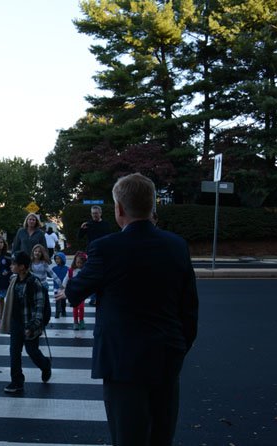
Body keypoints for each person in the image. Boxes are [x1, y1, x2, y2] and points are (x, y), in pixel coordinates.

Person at [62, 173, 199, 446]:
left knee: (128, 437)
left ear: (119, 209)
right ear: (152, 206)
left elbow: (75, 292)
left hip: (123, 362)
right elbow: (189, 309)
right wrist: (179, 348)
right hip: (166, 356)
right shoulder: (177, 245)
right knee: (161, 435)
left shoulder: (105, 248)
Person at [0, 251, 52, 394]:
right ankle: (17, 382)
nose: (11, 266)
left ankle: (45, 365)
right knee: (14, 353)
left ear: (22, 267)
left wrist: (33, 326)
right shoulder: (14, 279)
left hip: (29, 324)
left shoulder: (34, 282)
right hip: (16, 323)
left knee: (32, 351)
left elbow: (39, 307)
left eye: (14, 263)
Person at [76, 205, 111, 305]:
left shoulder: (105, 224)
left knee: (103, 275)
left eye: (96, 213)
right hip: (92, 253)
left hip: (104, 253)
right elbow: (79, 237)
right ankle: (93, 298)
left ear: (100, 213)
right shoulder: (88, 224)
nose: (94, 215)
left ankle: (102, 296)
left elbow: (109, 238)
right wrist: (82, 229)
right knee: (92, 275)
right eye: (93, 213)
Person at [60, 251, 87, 329]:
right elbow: (66, 278)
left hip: (82, 292)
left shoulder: (85, 270)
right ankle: (75, 321)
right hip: (73, 292)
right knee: (75, 307)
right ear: (75, 261)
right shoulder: (71, 270)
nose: (79, 264)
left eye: (81, 263)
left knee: (81, 307)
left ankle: (81, 321)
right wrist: (63, 286)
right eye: (78, 262)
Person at [51, 252, 69, 318]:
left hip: (64, 287)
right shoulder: (54, 269)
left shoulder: (67, 269)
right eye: (56, 259)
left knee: (63, 300)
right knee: (57, 300)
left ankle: (63, 310)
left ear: (63, 259)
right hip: (56, 287)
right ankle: (57, 312)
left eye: (58, 259)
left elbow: (69, 277)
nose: (57, 260)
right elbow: (49, 275)